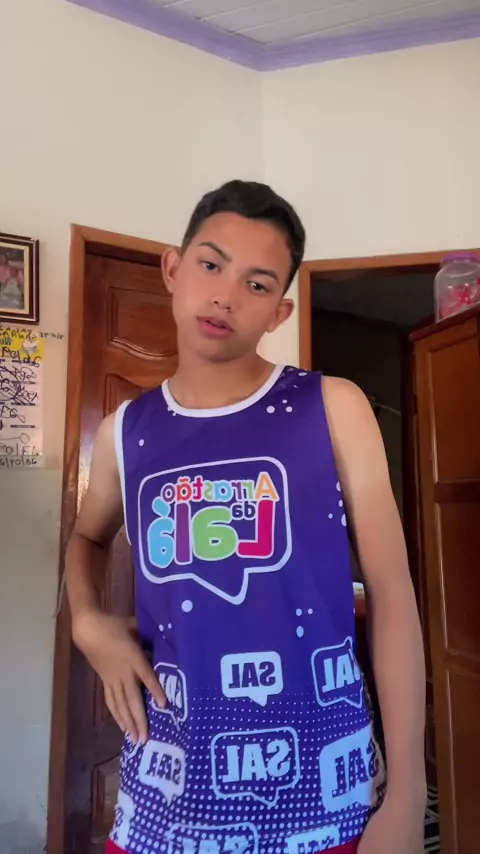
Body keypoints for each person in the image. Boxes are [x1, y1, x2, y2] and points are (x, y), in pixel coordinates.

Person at [66, 180, 426, 854]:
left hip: (325, 794)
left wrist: (408, 790)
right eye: (211, 264)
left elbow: (393, 593)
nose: (226, 295)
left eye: (257, 284)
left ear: (279, 311)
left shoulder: (333, 407)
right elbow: (87, 536)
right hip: (165, 798)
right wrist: (88, 622)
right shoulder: (124, 433)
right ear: (174, 269)